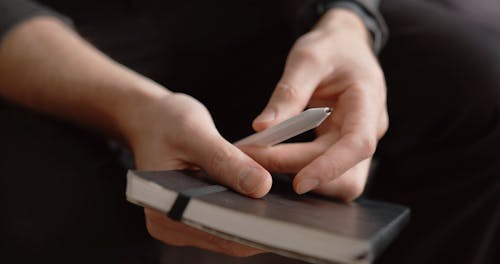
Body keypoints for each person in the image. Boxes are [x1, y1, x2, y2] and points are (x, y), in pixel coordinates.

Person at [0, 1, 498, 264]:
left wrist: (347, 21)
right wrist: (133, 108)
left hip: (256, 12)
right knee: (46, 210)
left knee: (483, 82)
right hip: (44, 35)